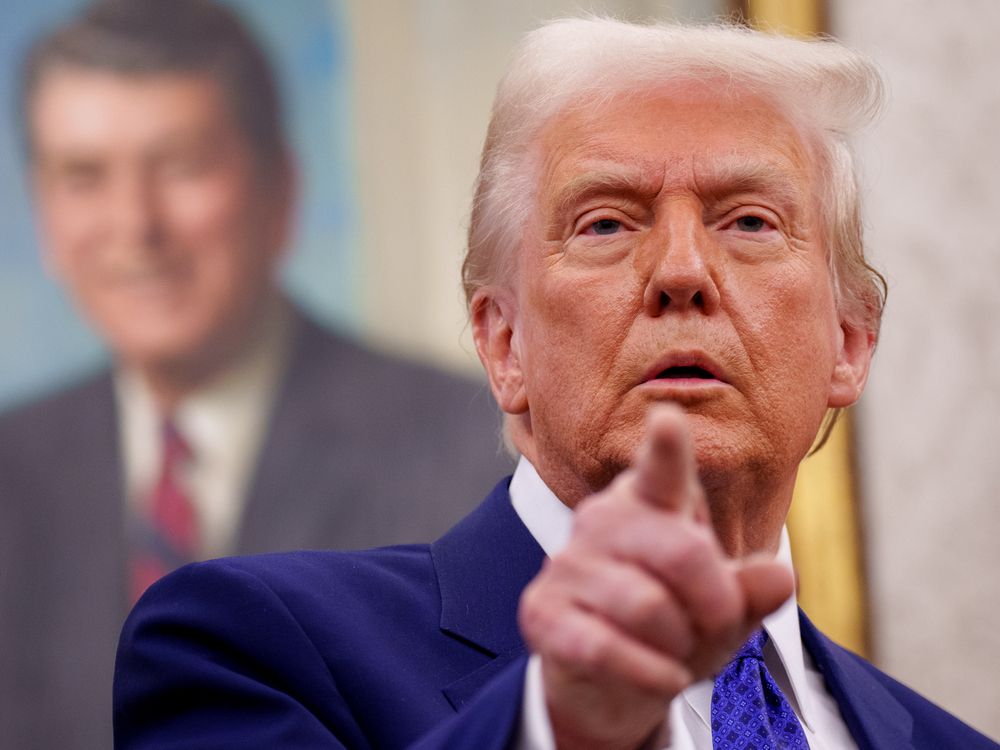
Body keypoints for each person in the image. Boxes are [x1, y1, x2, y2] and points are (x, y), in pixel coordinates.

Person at [113, 17, 997, 750]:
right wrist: (556, 726)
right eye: (607, 222)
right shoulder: (249, 648)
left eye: (751, 221)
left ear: (849, 342)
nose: (682, 270)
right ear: (504, 344)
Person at [0, 0, 510, 747]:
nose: (135, 227)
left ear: (281, 191)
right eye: (84, 177)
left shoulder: (465, 444)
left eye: (181, 166)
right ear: (42, 214)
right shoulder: (12, 469)